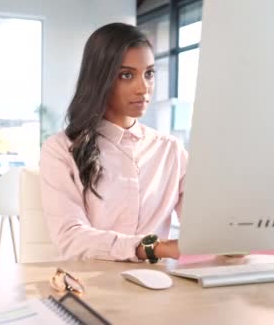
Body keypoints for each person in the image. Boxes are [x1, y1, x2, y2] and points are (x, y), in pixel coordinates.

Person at [40, 23, 187, 263]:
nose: (143, 88)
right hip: (91, 287)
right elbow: (70, 237)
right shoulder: (60, 150)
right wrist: (153, 248)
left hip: (158, 288)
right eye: (126, 75)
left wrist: (227, 240)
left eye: (149, 73)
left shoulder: (171, 151)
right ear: (100, 79)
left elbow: (203, 229)